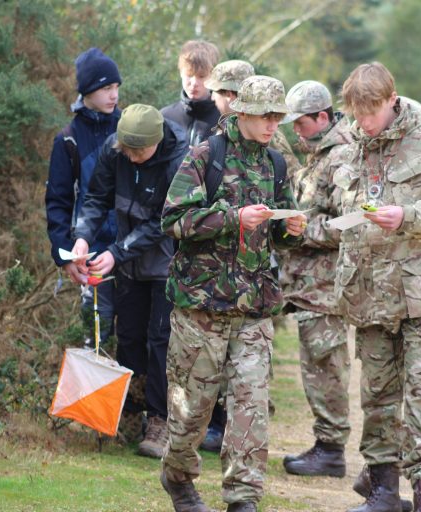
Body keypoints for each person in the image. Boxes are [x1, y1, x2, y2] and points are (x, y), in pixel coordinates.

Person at [160, 75, 307, 512]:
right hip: (201, 309)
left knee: (250, 408)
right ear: (242, 114)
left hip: (254, 309)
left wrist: (289, 229)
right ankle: (178, 476)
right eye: (265, 115)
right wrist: (231, 218)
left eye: (277, 116)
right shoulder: (206, 156)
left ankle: (243, 497)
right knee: (192, 412)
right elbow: (172, 222)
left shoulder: (276, 164)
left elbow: (277, 235)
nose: (271, 124)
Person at [331, 62, 421, 512]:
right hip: (368, 296)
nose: (364, 121)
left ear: (392, 101)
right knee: (376, 397)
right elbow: (325, 207)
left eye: (371, 112)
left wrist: (407, 217)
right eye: (356, 113)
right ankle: (384, 493)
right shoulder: (347, 147)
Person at [71, 104, 187, 459]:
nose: (133, 158)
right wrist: (82, 238)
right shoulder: (114, 149)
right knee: (130, 334)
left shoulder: (179, 159)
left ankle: (160, 420)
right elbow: (95, 199)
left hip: (167, 261)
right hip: (128, 265)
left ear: (156, 143)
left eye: (140, 152)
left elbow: (164, 221)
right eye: (129, 151)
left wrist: (117, 253)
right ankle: (128, 414)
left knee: (160, 340)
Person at [277, 80, 354, 478]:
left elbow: (349, 223)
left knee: (326, 366)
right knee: (315, 364)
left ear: (322, 117)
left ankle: (331, 449)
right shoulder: (316, 151)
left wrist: (302, 228)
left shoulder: (341, 156)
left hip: (326, 286)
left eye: (301, 123)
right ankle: (327, 445)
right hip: (307, 284)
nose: (296, 130)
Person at [45, 47, 121, 345]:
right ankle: (97, 394)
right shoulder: (69, 138)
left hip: (132, 252)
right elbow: (58, 200)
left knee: (135, 340)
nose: (113, 95)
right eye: (105, 88)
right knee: (97, 340)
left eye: (116, 87)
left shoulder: (130, 128)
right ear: (87, 91)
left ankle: (135, 394)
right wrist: (64, 254)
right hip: (91, 255)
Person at [161, 40, 221, 148]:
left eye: (201, 76)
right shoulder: (165, 117)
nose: (194, 83)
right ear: (180, 73)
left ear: (213, 76)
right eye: (189, 75)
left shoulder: (224, 120)